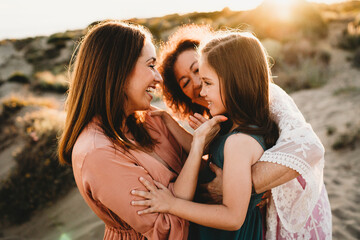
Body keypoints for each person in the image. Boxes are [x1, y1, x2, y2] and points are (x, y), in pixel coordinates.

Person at [154, 24, 332, 239]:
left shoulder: (266, 100)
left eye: (198, 71)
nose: (198, 84)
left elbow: (310, 147)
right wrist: (167, 120)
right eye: (185, 82)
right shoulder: (225, 117)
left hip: (287, 209)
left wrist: (241, 186)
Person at [58, 20, 225, 239]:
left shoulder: (149, 119)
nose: (158, 78)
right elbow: (166, 229)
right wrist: (198, 148)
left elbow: (201, 172)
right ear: (119, 69)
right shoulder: (97, 153)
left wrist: (231, 185)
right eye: (150, 65)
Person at [131, 31, 281, 239]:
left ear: (233, 81)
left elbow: (232, 217)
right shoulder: (234, 126)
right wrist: (168, 121)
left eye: (207, 82)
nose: (200, 90)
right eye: (186, 82)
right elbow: (201, 147)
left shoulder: (238, 141)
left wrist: (172, 204)